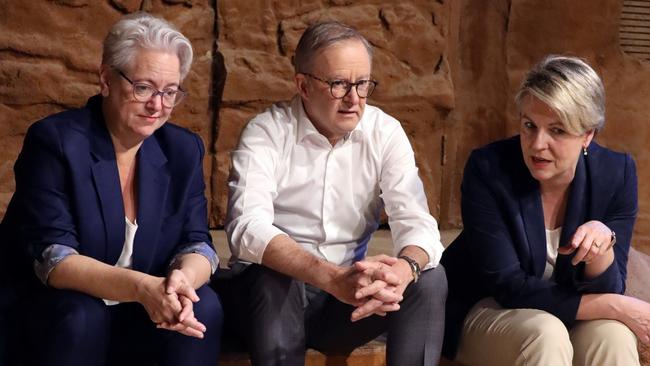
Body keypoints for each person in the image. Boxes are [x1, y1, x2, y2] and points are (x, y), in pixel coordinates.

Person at [213, 21, 447, 366]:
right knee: (274, 277)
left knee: (428, 277)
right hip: (267, 306)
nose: (354, 99)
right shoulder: (267, 131)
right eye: (339, 84)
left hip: (346, 303)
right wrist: (331, 278)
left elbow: (418, 223)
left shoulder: (384, 131)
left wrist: (403, 269)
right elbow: (247, 229)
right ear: (303, 85)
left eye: (363, 84)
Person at [0, 12, 222, 366]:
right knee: (82, 313)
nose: (158, 106)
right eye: (144, 88)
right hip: (57, 310)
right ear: (105, 79)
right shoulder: (56, 142)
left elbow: (198, 243)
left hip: (138, 312)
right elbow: (55, 261)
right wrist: (142, 288)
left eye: (170, 92)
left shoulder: (182, 149)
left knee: (203, 304)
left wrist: (181, 282)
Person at [441, 55, 648, 365]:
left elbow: (610, 286)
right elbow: (508, 286)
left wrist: (602, 248)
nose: (538, 144)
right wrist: (617, 307)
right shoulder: (488, 169)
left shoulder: (617, 174)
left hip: (569, 314)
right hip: (488, 308)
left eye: (557, 131)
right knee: (546, 333)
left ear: (587, 134)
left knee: (613, 337)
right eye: (529, 126)